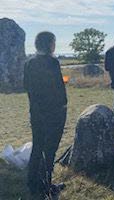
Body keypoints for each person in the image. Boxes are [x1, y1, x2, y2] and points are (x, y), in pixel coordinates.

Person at [24, 32, 67, 199]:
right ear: (49, 44)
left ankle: (32, 182)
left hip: (36, 111)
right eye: (54, 42)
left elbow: (27, 86)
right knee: (49, 150)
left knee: (37, 147)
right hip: (53, 112)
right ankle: (46, 186)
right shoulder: (52, 62)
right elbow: (57, 88)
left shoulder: (29, 63)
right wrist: (63, 105)